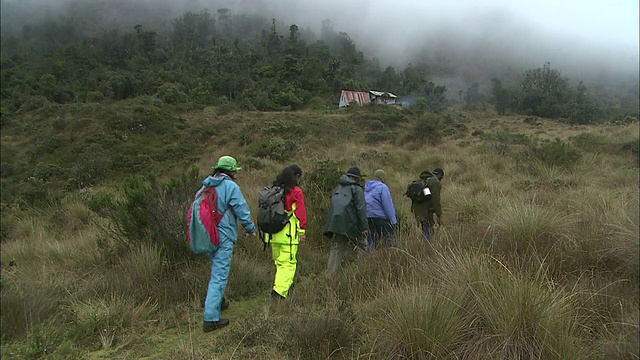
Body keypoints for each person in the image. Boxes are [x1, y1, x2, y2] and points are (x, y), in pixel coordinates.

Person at [199, 156, 256, 332]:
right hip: (223, 236)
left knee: (217, 271)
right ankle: (211, 319)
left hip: (207, 235)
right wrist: (250, 228)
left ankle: (219, 302)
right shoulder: (230, 186)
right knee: (219, 275)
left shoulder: (204, 187)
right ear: (231, 171)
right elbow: (241, 209)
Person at [268, 164, 307, 300]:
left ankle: (285, 287)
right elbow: (300, 213)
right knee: (288, 264)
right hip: (288, 234)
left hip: (273, 233)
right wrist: (302, 231)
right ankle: (279, 293)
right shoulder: (296, 192)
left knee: (279, 262)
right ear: (296, 177)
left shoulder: (274, 189)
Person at [323, 167, 368, 275]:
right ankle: (358, 272)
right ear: (357, 178)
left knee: (337, 248)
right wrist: (364, 227)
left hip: (336, 223)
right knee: (362, 246)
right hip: (351, 224)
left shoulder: (338, 187)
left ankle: (330, 274)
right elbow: (361, 209)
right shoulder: (357, 189)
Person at [364, 169, 397, 251]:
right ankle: (391, 256)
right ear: (382, 177)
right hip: (381, 218)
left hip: (368, 217)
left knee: (372, 239)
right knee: (390, 239)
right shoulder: (382, 187)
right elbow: (387, 205)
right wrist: (393, 220)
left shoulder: (366, 187)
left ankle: (370, 258)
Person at [410, 168, 444, 241]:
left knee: (425, 228)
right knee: (428, 231)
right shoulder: (435, 182)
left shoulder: (423, 181)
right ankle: (426, 248)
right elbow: (436, 200)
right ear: (441, 175)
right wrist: (439, 215)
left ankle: (422, 246)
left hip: (417, 209)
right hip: (426, 211)